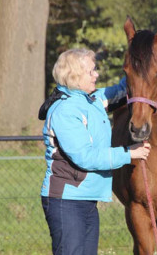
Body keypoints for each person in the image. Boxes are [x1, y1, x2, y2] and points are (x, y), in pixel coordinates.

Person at [39, 48, 151, 255]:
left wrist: (139, 64)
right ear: (74, 75)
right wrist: (128, 154)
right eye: (91, 71)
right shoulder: (65, 110)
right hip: (66, 201)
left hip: (87, 200)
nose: (97, 75)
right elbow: (86, 157)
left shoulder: (91, 100)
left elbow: (121, 89)